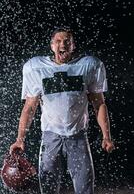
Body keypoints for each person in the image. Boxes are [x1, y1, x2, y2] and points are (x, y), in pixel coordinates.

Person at [10, 27, 115, 194]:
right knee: (48, 187)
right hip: (50, 136)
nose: (63, 44)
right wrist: (20, 139)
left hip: (78, 134)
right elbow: (30, 107)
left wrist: (106, 136)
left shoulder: (88, 65)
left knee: (85, 187)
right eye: (58, 41)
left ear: (73, 46)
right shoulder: (37, 68)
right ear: (52, 46)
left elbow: (99, 104)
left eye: (67, 41)